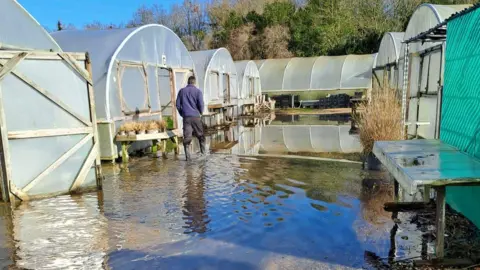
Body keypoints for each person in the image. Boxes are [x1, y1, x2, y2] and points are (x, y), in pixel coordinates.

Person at [176, 76, 206, 161]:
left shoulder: (181, 91)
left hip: (186, 118)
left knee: (187, 137)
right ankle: (203, 155)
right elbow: (201, 104)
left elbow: (178, 105)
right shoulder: (198, 92)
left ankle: (188, 159)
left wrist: (182, 114)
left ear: (188, 82)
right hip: (196, 117)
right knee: (201, 136)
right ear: (194, 82)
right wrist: (201, 112)